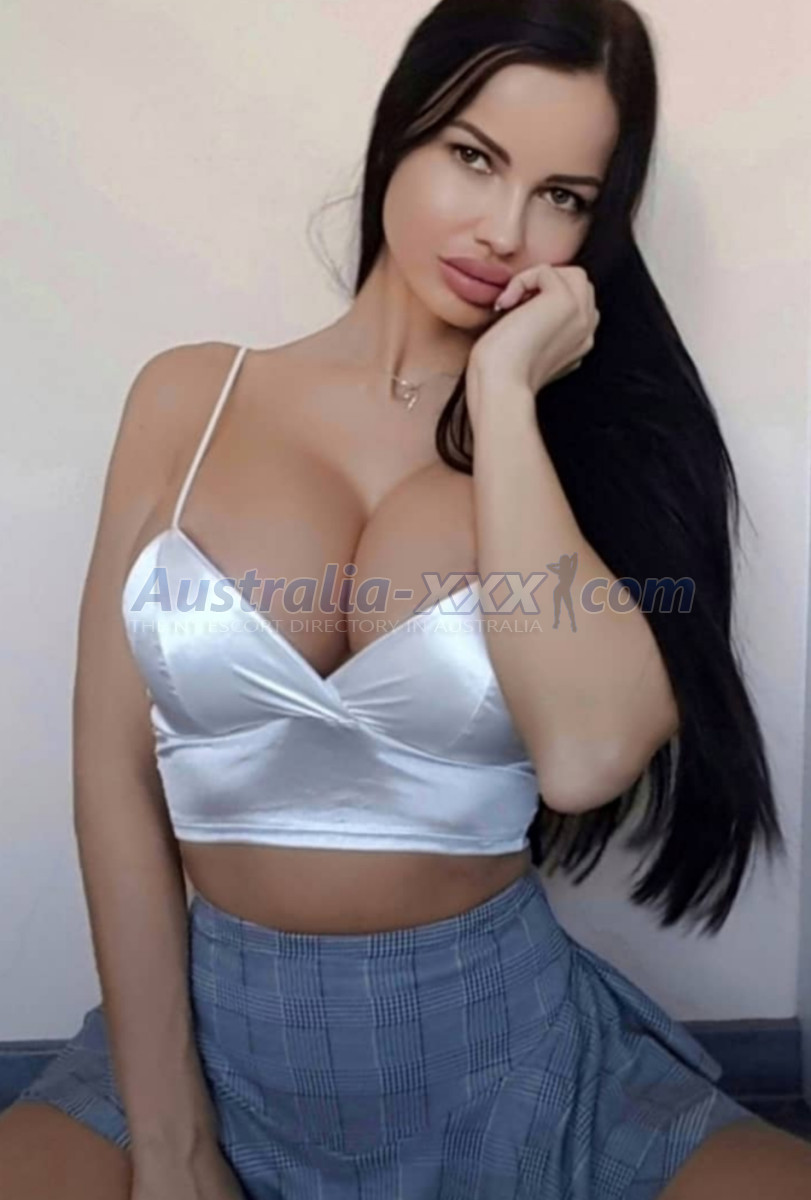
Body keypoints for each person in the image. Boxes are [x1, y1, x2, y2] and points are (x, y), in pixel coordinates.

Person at [2, 1, 810, 1196]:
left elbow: (584, 758)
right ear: (401, 130)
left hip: (512, 1059)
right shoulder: (189, 399)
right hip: (194, 1051)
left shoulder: (596, 454)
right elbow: (111, 775)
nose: (504, 231)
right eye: (473, 157)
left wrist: (506, 397)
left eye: (562, 196)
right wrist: (171, 1142)